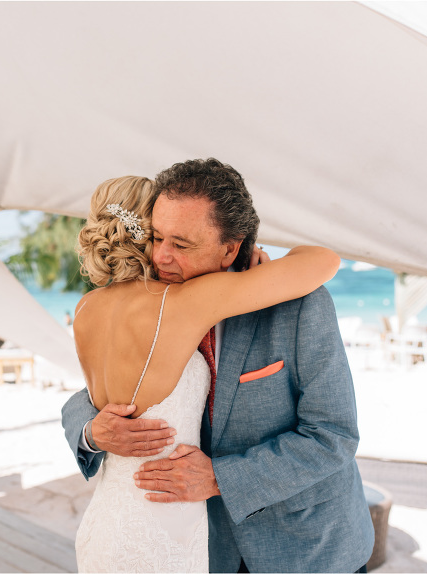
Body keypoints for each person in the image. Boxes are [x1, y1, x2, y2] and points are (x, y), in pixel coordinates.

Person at [63, 159, 375, 573]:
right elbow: (91, 395)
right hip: (203, 550)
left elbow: (333, 433)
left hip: (306, 550)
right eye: (156, 237)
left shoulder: (299, 304)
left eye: (182, 244)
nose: (161, 257)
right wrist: (91, 430)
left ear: (231, 247)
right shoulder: (154, 304)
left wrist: (220, 478)